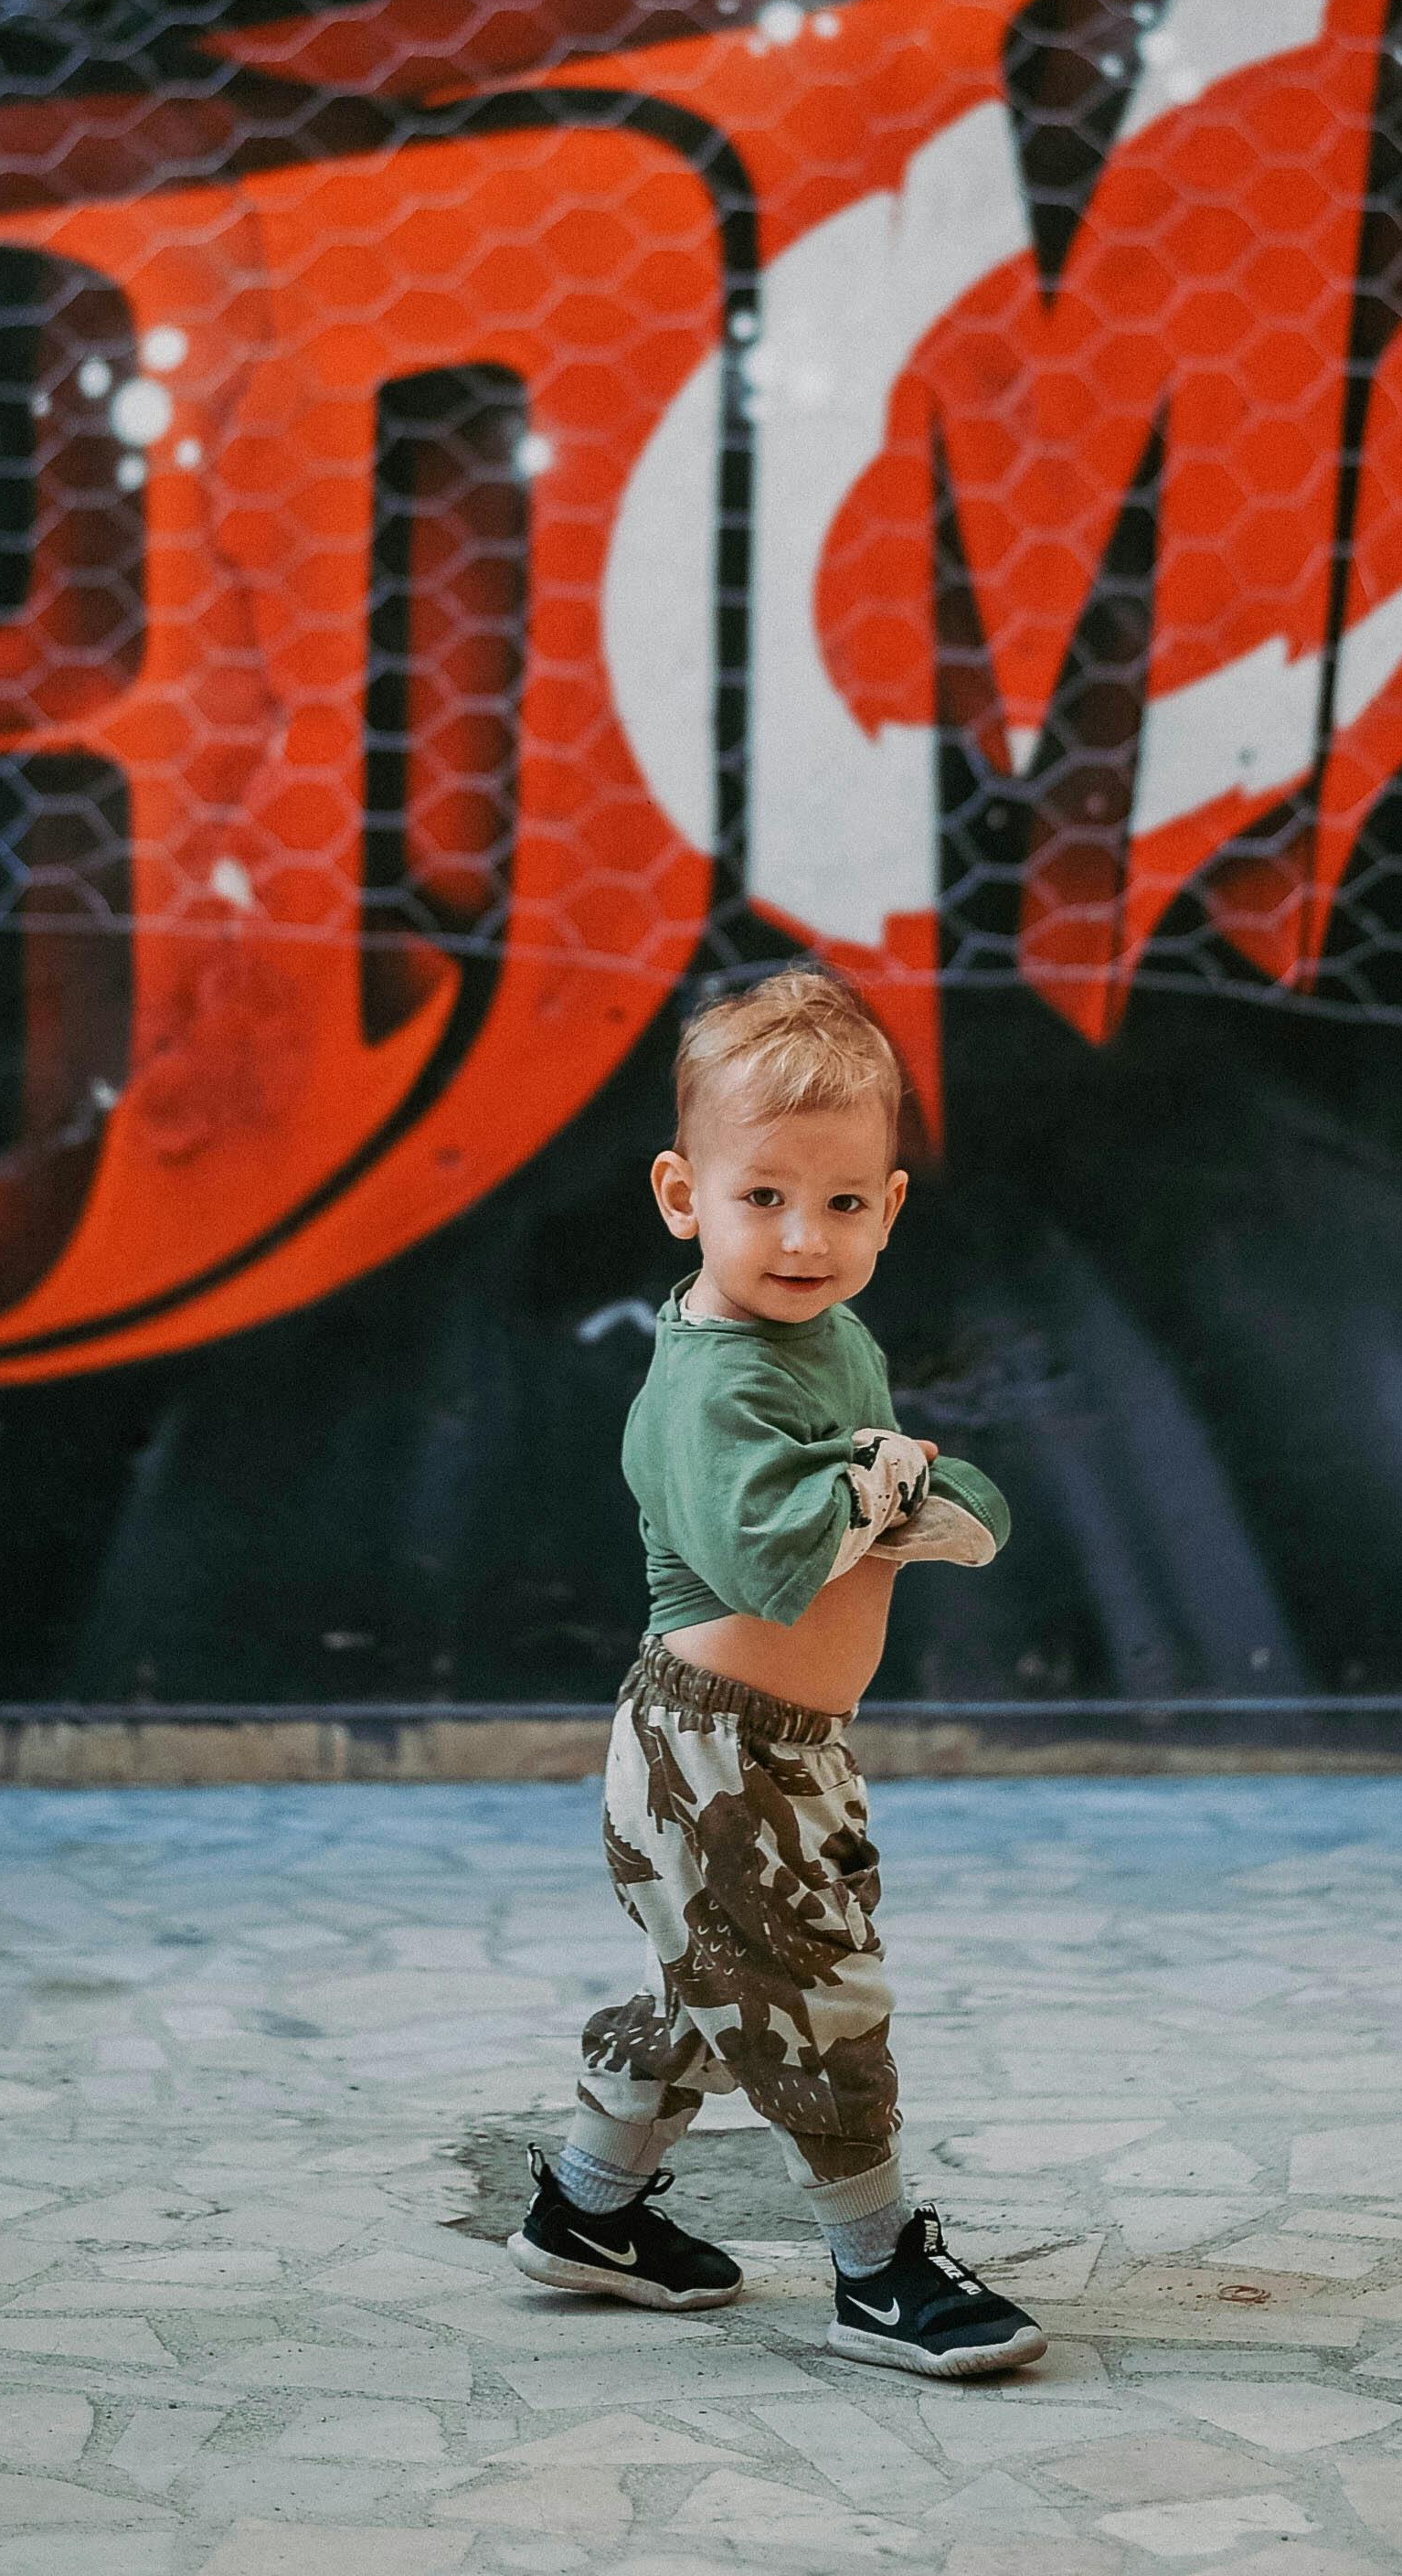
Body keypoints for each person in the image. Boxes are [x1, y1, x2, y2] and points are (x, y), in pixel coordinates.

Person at [511, 965, 1045, 2379]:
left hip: (786, 1743)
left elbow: (893, 1488)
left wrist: (931, 1497)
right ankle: (879, 2271)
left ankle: (587, 2213)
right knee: (812, 1996)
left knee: (717, 1991)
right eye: (764, 1199)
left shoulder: (831, 1336)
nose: (806, 1238)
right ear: (684, 1196)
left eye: (845, 1202)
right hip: (713, 1749)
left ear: (891, 1203)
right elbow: (768, 1560)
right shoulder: (717, 1377)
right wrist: (883, 1484)